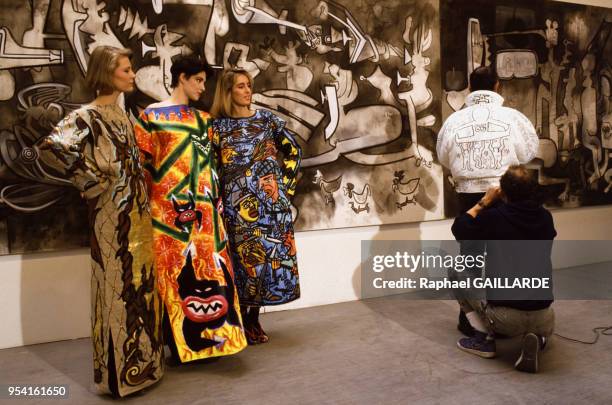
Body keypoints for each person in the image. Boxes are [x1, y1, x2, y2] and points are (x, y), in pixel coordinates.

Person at [37, 46, 163, 396]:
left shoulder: (121, 114)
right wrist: (90, 181)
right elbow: (52, 148)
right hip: (111, 215)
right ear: (107, 75)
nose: (132, 73)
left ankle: (145, 365)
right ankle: (119, 373)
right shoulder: (87, 116)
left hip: (137, 214)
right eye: (125, 69)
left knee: (140, 285)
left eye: (130, 67)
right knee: (116, 288)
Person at [134, 55, 247, 363]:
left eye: (204, 81)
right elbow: (143, 166)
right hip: (167, 211)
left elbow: (212, 164)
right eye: (198, 80)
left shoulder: (204, 119)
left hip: (207, 212)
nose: (202, 87)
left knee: (212, 270)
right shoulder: (152, 116)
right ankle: (178, 342)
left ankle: (216, 339)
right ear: (181, 77)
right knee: (173, 273)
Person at [436, 66, 540, 336]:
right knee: (506, 254)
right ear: (497, 86)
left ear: (470, 88)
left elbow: (443, 157)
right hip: (505, 192)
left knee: (470, 256)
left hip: (470, 195)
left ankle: (469, 320)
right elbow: (528, 151)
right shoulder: (513, 118)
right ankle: (505, 313)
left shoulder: (454, 121)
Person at [210, 69, 302, 345]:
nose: (247, 91)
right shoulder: (217, 128)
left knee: (266, 264)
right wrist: (218, 201)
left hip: (271, 210)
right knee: (243, 264)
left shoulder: (267, 121)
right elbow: (212, 168)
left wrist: (284, 189)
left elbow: (294, 152)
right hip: (236, 209)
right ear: (228, 91)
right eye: (240, 86)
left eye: (249, 85)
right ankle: (240, 319)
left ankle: (253, 318)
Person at [451, 165, 556, 373]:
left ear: (504, 192)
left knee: (456, 272)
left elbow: (459, 229)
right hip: (545, 316)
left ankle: (485, 341)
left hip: (505, 320)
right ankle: (537, 336)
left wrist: (484, 202)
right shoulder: (545, 218)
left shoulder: (495, 217)